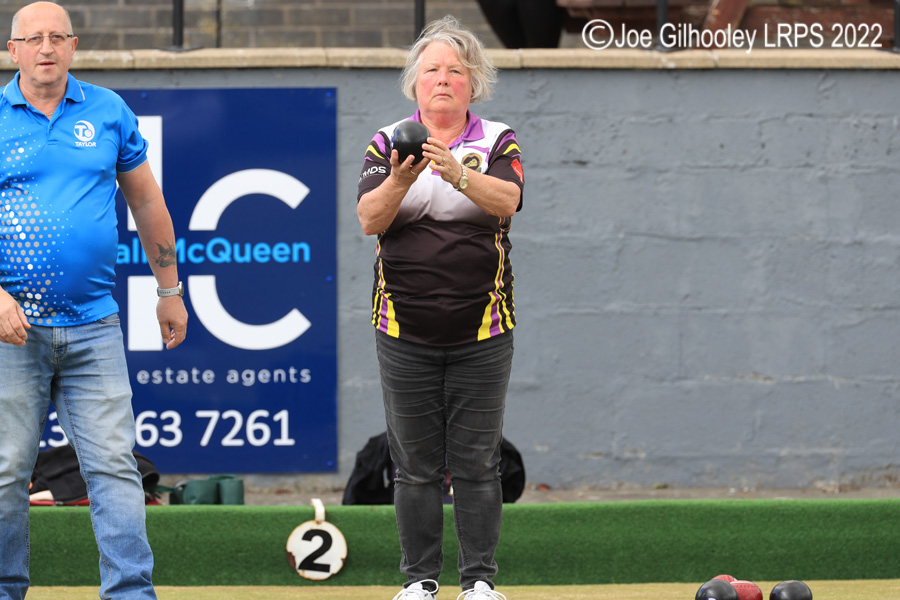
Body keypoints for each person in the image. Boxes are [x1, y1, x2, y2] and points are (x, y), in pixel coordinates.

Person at [0, 3, 187, 599]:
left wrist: (169, 290)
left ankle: (131, 594)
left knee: (114, 470)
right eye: (34, 38)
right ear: (14, 50)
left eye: (57, 37)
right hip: (12, 329)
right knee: (5, 474)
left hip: (94, 327)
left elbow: (148, 204)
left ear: (74, 46)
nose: (46, 47)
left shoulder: (108, 110)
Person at [357, 15, 524, 600]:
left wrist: (457, 173)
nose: (443, 79)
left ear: (473, 83)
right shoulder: (387, 141)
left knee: (478, 464)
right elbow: (370, 219)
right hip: (402, 330)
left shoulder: (498, 139)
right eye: (431, 70)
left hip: (484, 328)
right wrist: (404, 178)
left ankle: (478, 583)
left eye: (456, 70)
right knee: (416, 467)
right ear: (414, 84)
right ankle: (419, 582)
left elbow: (508, 200)